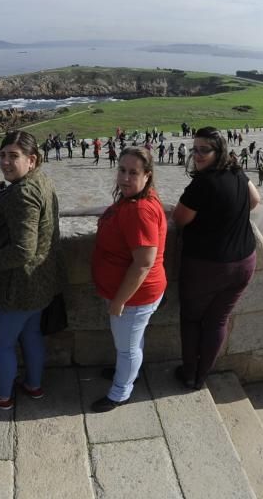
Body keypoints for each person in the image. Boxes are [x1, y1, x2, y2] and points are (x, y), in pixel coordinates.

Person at [0, 131, 62, 410]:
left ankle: (2, 396)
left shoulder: (22, 194)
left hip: (16, 288)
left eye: (14, 156)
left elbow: (23, 249)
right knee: (31, 335)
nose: (5, 162)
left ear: (31, 159)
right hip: (40, 282)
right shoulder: (42, 180)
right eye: (2, 155)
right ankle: (33, 386)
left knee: (2, 344)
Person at [172, 127, 261, 389]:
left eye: (204, 150)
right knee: (217, 321)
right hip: (244, 261)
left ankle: (189, 374)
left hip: (207, 266)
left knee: (191, 319)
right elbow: (255, 200)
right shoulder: (236, 171)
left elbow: (180, 219)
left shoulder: (202, 183)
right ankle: (202, 376)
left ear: (217, 150)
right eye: (195, 149)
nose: (198, 155)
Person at [90, 147, 167, 412]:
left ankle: (120, 392)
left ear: (147, 175)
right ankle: (128, 372)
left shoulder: (139, 210)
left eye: (133, 172)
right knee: (132, 342)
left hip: (135, 296)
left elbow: (144, 262)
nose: (124, 178)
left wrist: (119, 301)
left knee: (127, 348)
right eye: (122, 170)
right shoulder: (136, 200)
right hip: (138, 294)